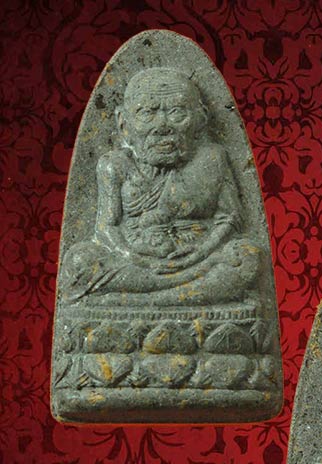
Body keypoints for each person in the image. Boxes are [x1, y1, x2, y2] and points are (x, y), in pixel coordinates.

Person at [62, 67, 260, 305]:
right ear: (124, 123)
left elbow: (230, 218)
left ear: (200, 119)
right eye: (147, 113)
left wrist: (200, 253)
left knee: (247, 255)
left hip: (199, 256)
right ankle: (180, 295)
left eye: (177, 112)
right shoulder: (115, 165)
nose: (163, 126)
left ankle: (135, 302)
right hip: (136, 258)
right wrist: (138, 258)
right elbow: (106, 228)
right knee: (80, 260)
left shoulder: (212, 159)